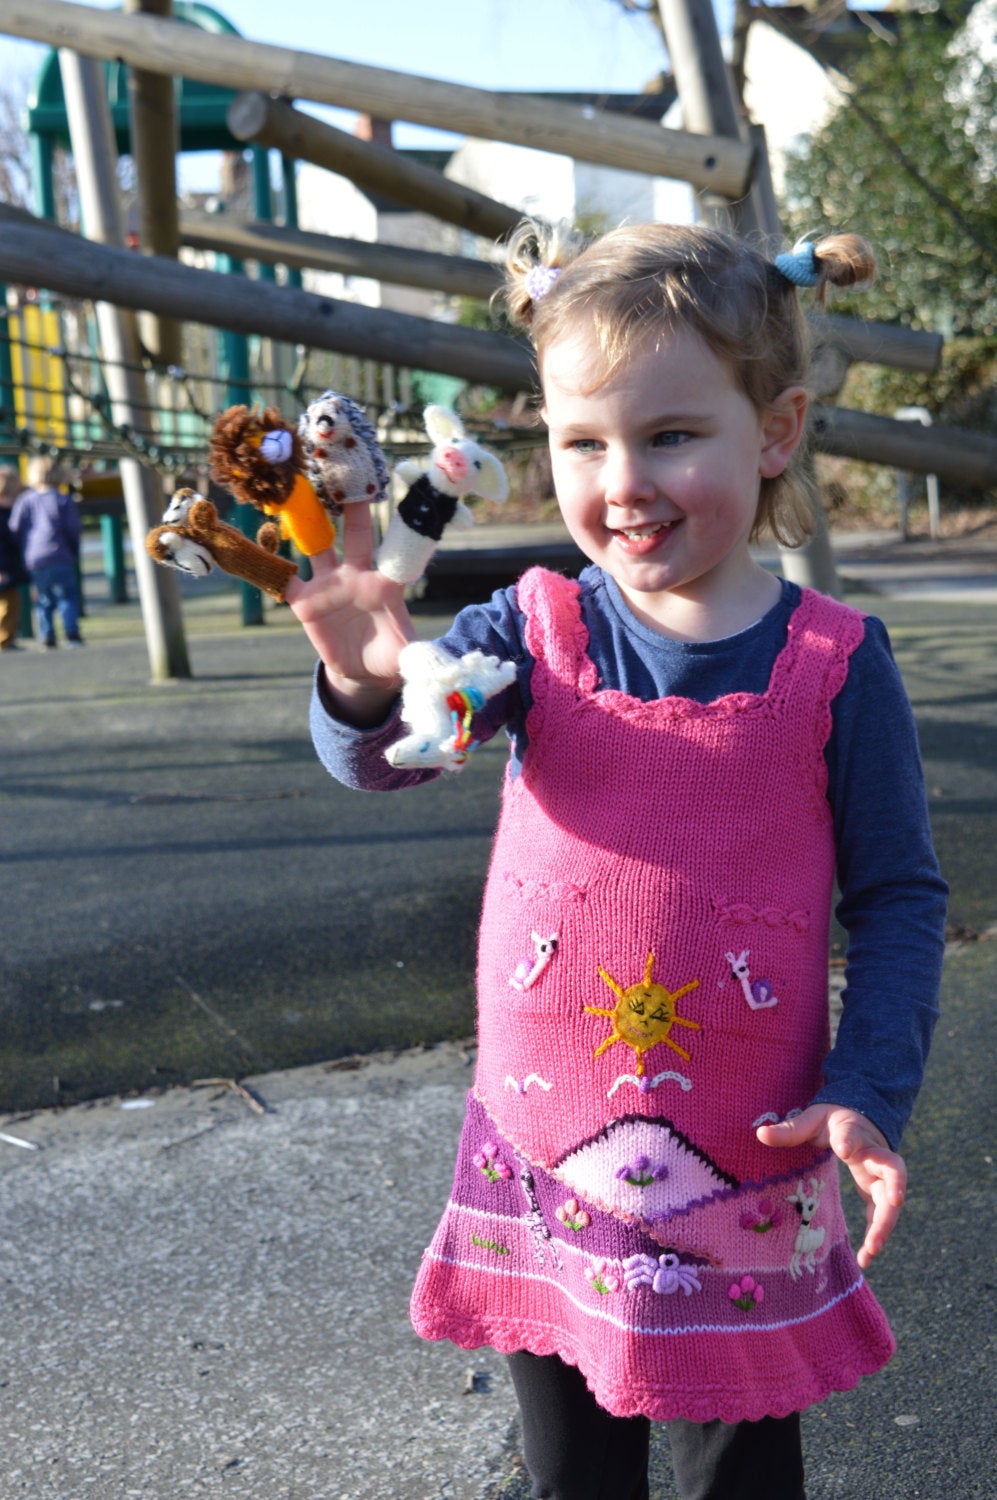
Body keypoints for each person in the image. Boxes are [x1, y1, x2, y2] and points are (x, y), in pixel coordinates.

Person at [285, 219, 947, 1500]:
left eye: (670, 435)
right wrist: (362, 688)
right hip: (547, 1167)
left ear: (777, 430)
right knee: (571, 1474)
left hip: (747, 1171)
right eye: (582, 443)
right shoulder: (525, 634)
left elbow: (901, 899)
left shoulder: (834, 667)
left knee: (735, 1479)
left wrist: (873, 1080)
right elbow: (400, 753)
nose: (623, 480)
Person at [9, 455, 84, 648]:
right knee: (67, 596)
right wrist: (73, 550)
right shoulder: (62, 499)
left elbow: (15, 527)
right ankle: (71, 633)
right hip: (60, 555)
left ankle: (47, 634)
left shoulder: (25, 501)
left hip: (35, 557)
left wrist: (23, 549)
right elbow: (72, 528)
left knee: (43, 598)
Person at [0, 465, 29, 651]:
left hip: (11, 564)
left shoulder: (11, 511)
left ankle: (8, 638)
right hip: (4, 566)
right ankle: (4, 639)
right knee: (7, 604)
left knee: (13, 603)